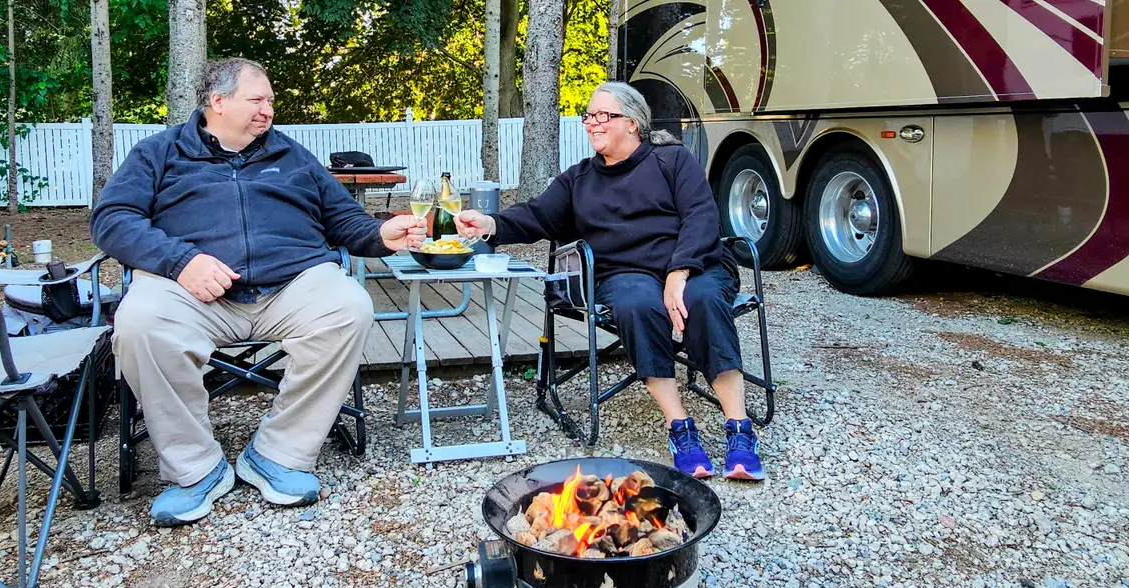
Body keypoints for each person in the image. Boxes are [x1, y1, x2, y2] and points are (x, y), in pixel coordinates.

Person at [90, 58, 427, 526]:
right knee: (139, 322)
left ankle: (278, 453)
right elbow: (112, 220)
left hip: (290, 287)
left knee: (349, 305)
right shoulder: (158, 153)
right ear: (217, 101)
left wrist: (379, 234)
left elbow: (341, 218)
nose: (268, 109)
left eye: (270, 100)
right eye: (256, 99)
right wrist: (180, 261)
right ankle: (195, 469)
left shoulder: (292, 156)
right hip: (193, 293)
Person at [455, 81, 764, 481]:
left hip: (695, 264)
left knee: (702, 300)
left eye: (604, 115)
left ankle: (739, 429)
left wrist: (678, 272)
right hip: (626, 274)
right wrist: (490, 223)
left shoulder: (672, 160)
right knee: (637, 304)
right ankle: (680, 429)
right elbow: (536, 215)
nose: (592, 123)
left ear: (633, 123)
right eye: (589, 115)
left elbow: (701, 216)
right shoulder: (579, 179)